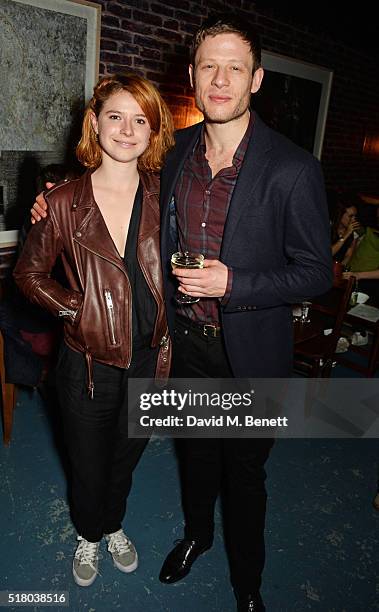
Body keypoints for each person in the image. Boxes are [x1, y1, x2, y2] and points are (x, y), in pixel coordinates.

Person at [30, 14, 332, 611]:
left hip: (248, 352)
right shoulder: (173, 153)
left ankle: (248, 584)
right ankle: (196, 536)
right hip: (181, 343)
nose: (220, 80)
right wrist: (49, 198)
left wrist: (234, 281)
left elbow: (317, 273)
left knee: (244, 474)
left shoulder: (293, 168)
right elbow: (108, 178)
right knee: (195, 453)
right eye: (209, 67)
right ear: (192, 77)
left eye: (235, 68)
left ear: (258, 79)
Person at [15, 73, 174, 587]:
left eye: (140, 120)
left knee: (127, 455)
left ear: (152, 132)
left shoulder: (167, 196)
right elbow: (28, 273)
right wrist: (71, 309)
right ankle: (88, 532)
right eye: (115, 116)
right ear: (95, 123)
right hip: (86, 364)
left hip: (152, 358)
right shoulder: (62, 201)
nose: (127, 130)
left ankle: (112, 523)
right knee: (86, 462)